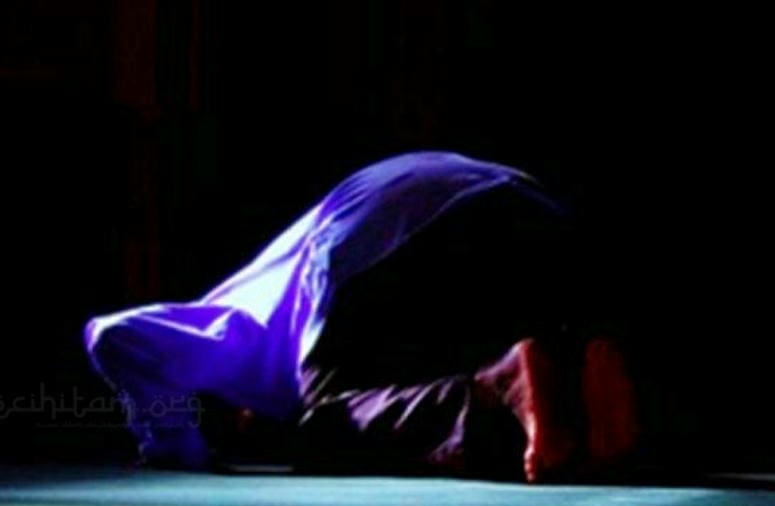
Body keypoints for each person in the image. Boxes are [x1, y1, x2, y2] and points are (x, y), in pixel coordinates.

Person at [84, 151, 638, 483]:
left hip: (392, 228)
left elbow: (112, 335)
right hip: (524, 210)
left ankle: (501, 390)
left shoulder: (233, 331)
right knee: (508, 385)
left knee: (322, 427)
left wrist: (173, 447)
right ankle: (582, 404)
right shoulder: (364, 349)